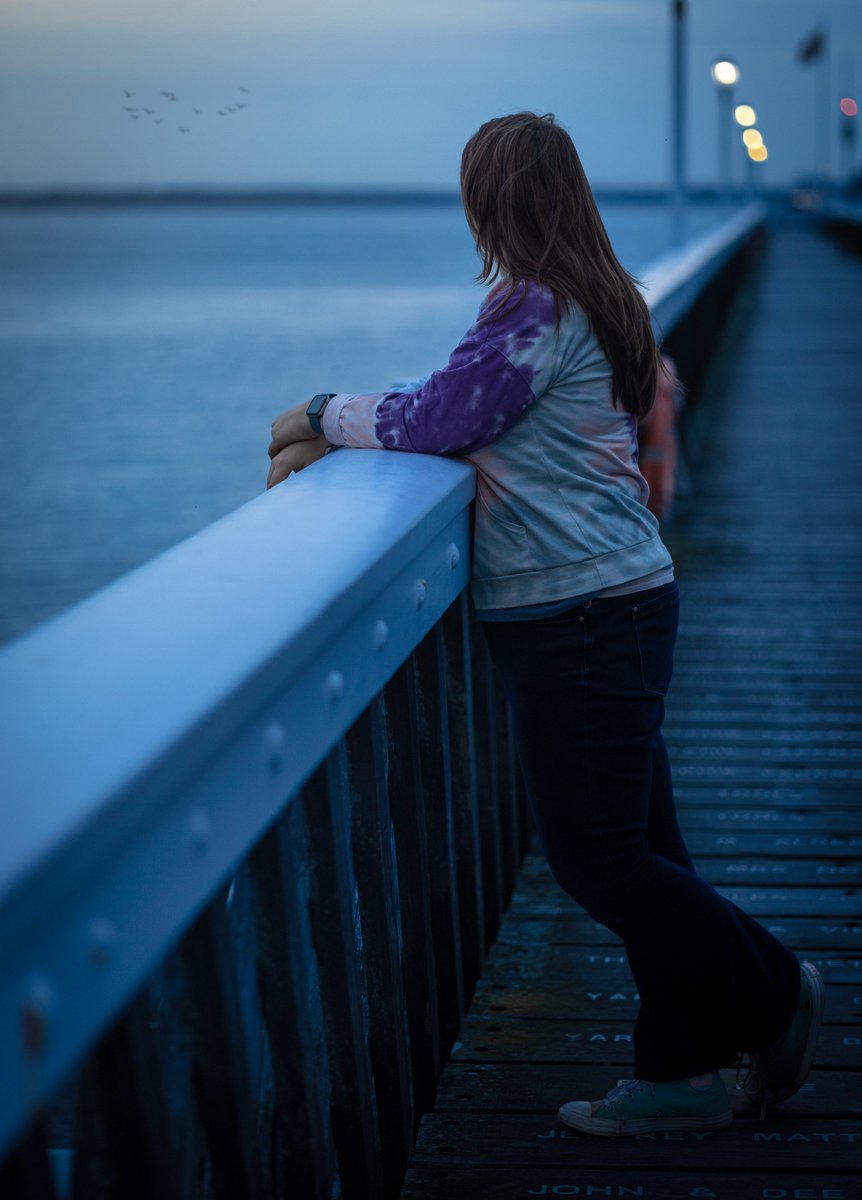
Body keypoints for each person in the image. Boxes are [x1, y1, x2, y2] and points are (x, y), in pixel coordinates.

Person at [266, 111, 824, 1137]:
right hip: (618, 602)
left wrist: (318, 409)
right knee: (647, 849)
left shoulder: (533, 308)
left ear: (493, 203)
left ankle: (776, 990)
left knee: (601, 862)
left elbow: (438, 420)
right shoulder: (603, 299)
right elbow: (465, 408)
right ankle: (683, 1075)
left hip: (581, 619)